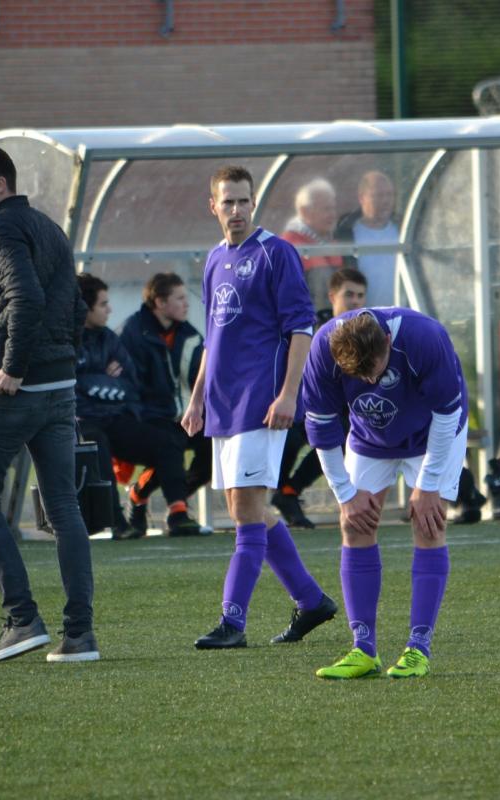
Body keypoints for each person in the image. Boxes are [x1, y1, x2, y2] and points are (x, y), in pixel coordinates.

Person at [182, 164, 337, 650]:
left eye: (243, 201)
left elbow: (300, 328)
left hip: (260, 401)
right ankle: (311, 601)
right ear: (213, 206)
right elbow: (213, 337)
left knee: (247, 511)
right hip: (223, 404)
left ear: (254, 203)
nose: (236, 210)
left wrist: (289, 394)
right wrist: (196, 399)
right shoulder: (212, 260)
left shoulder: (277, 253)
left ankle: (233, 621)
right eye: (227, 202)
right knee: (246, 507)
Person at [0, 145, 98, 664]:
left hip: (16, 385)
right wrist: (65, 362)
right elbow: (78, 305)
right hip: (59, 386)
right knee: (63, 507)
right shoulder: (50, 228)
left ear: (0, 184)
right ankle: (79, 636)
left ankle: (22, 621)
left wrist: (13, 367)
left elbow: (26, 297)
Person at [302, 308, 467, 679]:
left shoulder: (425, 338)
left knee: (429, 524)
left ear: (388, 341)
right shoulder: (323, 349)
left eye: (375, 370)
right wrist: (345, 494)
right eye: (359, 376)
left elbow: (447, 413)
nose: (370, 380)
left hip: (433, 436)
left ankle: (418, 648)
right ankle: (363, 648)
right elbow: (322, 428)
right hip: (370, 436)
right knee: (355, 525)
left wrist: (427, 484)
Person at [77, 273, 204, 539]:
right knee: (95, 441)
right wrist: (101, 379)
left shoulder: (110, 338)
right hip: (83, 422)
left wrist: (94, 383)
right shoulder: (71, 340)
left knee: (168, 443)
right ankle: (117, 521)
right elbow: (71, 386)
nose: (109, 309)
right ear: (83, 307)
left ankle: (178, 512)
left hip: (120, 417)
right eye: (103, 304)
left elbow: (128, 381)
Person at [272, 266, 371, 529]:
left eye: (361, 296)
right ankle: (275, 494)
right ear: (332, 296)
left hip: (340, 412)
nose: (355, 301)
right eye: (349, 294)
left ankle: (289, 492)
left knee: (340, 437)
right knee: (289, 438)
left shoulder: (367, 331)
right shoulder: (312, 328)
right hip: (301, 406)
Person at [118, 272, 209, 537]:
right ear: (159, 303)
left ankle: (142, 494)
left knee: (215, 444)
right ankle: (177, 512)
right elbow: (127, 385)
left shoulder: (191, 335)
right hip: (146, 418)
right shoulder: (130, 334)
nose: (186, 304)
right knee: (168, 444)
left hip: (183, 417)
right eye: (179, 298)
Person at [334, 170, 400, 308]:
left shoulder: (403, 229)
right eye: (379, 195)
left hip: (401, 314)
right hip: (363, 318)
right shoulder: (347, 234)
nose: (386, 201)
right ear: (362, 198)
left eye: (389, 195)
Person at [281, 178, 343, 316]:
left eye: (333, 208)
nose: (332, 214)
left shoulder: (330, 242)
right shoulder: (290, 246)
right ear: (304, 212)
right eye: (326, 209)